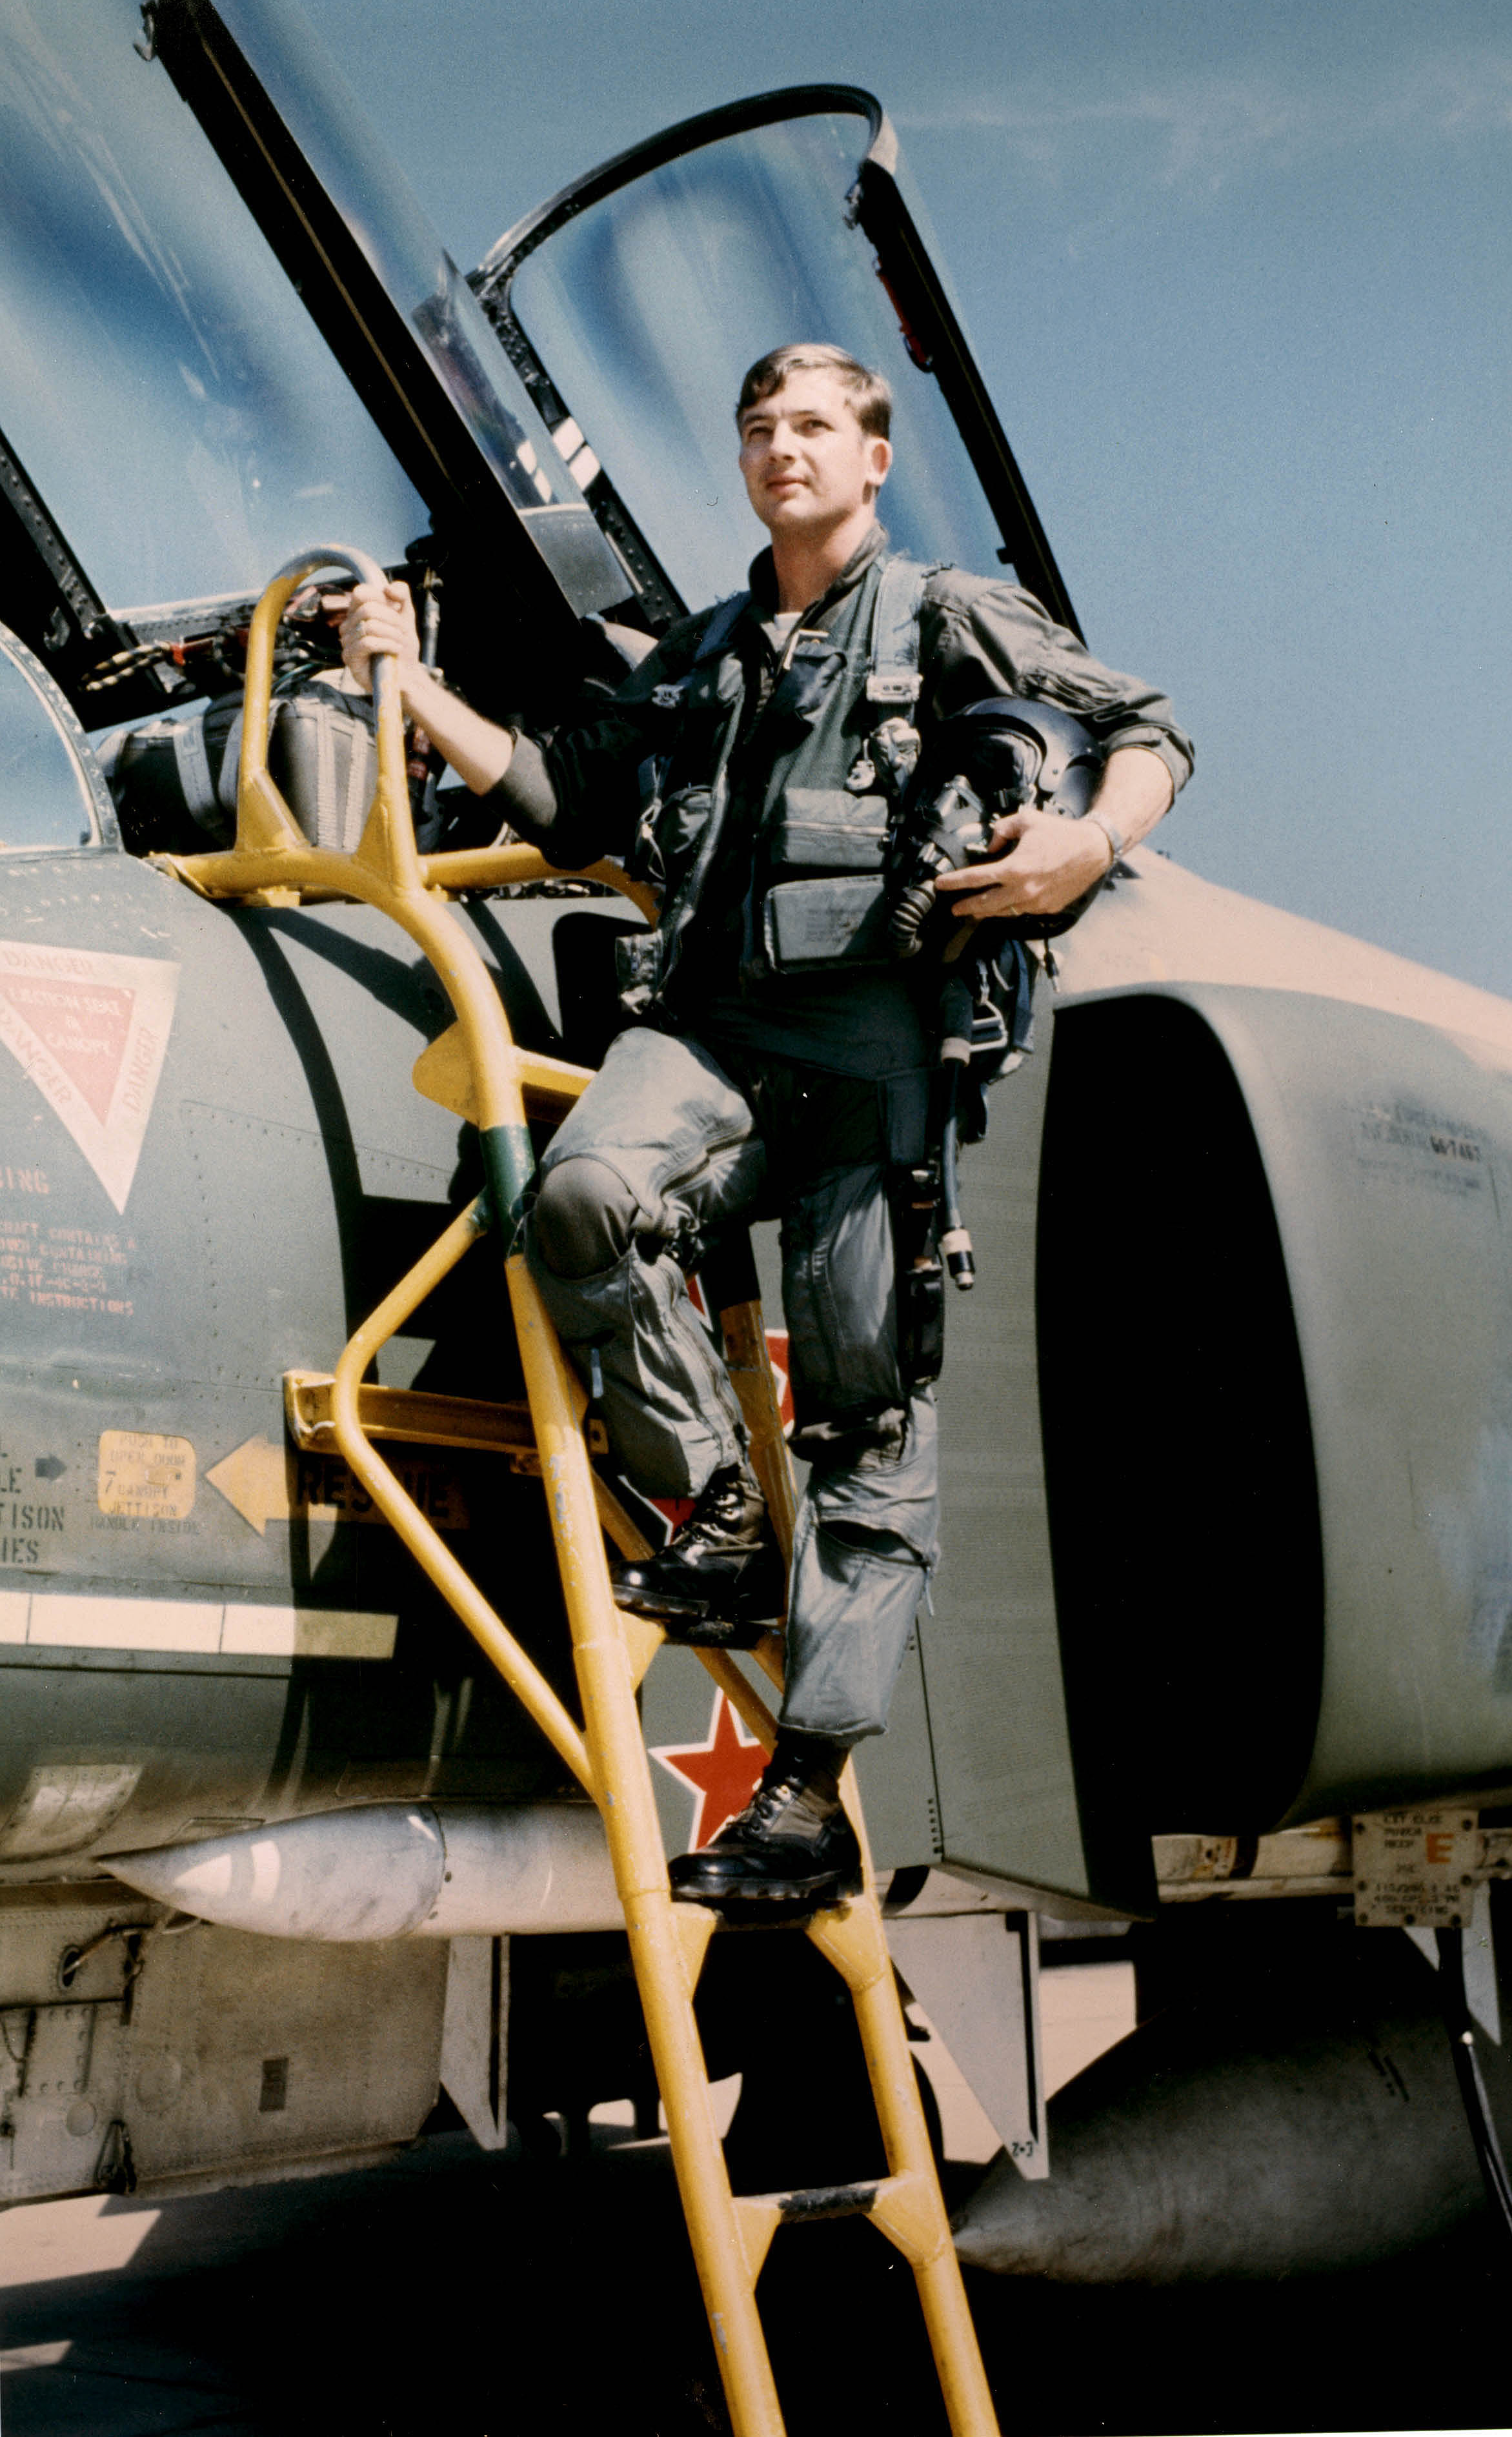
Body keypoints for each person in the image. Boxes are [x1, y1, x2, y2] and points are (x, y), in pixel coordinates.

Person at [339, 343, 1192, 1909]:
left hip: (874, 1058)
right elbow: (563, 790)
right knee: (583, 1197)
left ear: (872, 457)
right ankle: (716, 1507)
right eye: (758, 428)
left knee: (868, 1427)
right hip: (716, 1032)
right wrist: (406, 683)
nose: (782, 448)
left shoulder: (945, 612)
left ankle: (803, 1795)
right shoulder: (709, 651)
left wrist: (1087, 842)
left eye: (813, 426)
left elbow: (1147, 731)